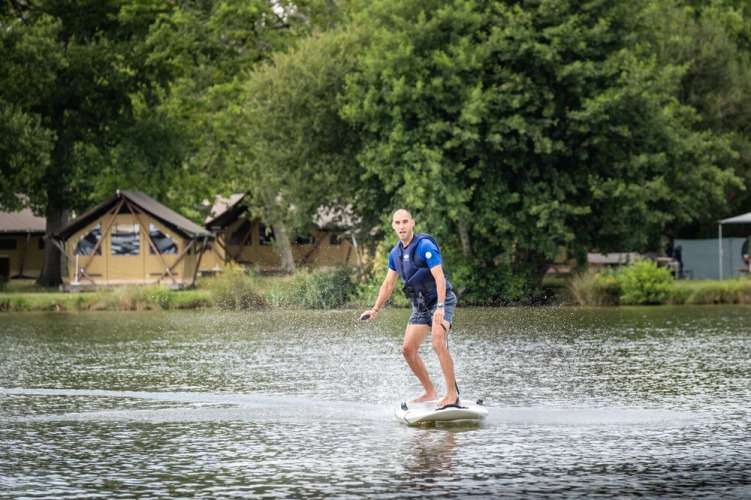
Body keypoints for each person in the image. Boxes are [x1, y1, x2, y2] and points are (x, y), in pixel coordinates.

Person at [361, 209, 459, 408]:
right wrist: (375, 309)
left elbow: (439, 278)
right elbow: (388, 284)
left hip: (440, 301)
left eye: (405, 222)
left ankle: (452, 395)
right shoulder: (395, 254)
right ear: (393, 226)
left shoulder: (424, 246)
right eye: (397, 223)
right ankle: (430, 392)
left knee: (437, 342)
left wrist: (440, 306)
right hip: (420, 308)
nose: (401, 226)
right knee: (407, 350)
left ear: (412, 223)